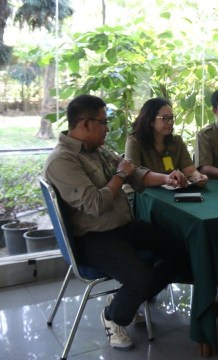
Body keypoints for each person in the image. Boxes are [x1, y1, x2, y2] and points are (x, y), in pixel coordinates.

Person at [44, 94, 190, 351]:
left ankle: (125, 299)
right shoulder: (62, 160)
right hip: (93, 237)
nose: (108, 127)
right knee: (141, 278)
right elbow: (96, 203)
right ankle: (114, 316)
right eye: (103, 122)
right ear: (85, 124)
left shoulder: (97, 149)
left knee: (180, 249)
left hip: (123, 227)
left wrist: (165, 179)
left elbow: (135, 171)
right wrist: (121, 174)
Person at [125, 98, 207, 187]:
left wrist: (198, 177)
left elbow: (190, 171)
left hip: (170, 194)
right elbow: (134, 174)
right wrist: (166, 178)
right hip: (140, 196)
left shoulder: (176, 142)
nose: (170, 122)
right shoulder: (134, 141)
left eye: (171, 118)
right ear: (150, 121)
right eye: (165, 118)